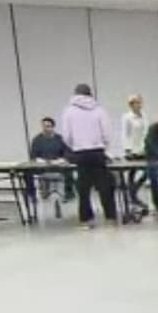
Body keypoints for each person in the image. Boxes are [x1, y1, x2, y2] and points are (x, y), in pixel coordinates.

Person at [60, 84, 117, 227]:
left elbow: (66, 135)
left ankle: (86, 219)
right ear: (90, 94)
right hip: (97, 152)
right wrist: (104, 147)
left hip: (80, 152)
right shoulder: (99, 110)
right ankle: (110, 217)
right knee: (104, 186)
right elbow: (107, 132)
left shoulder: (69, 111)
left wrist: (75, 146)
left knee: (83, 188)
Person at [29, 116, 74, 201]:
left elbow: (68, 153)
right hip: (42, 167)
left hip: (58, 166)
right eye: (44, 126)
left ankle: (69, 193)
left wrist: (61, 160)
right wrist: (41, 161)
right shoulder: (37, 140)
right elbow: (33, 156)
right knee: (27, 173)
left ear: (53, 127)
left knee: (69, 171)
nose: (46, 129)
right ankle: (32, 195)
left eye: (48, 126)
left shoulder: (60, 139)